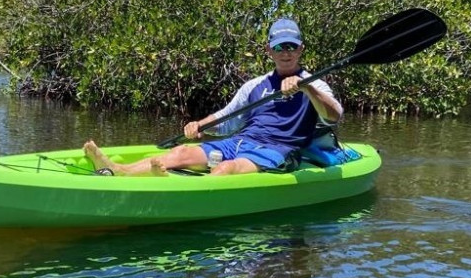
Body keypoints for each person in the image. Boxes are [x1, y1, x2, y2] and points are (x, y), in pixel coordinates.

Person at [84, 18, 344, 176]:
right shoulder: (255, 85)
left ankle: (180, 196)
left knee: (226, 169)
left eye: (291, 47)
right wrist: (200, 126)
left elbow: (334, 116)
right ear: (269, 50)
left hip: (278, 151)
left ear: (301, 49)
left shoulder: (315, 83)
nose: (285, 53)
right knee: (181, 151)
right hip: (241, 142)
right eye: (279, 47)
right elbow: (226, 118)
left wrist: (306, 88)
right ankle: (119, 171)